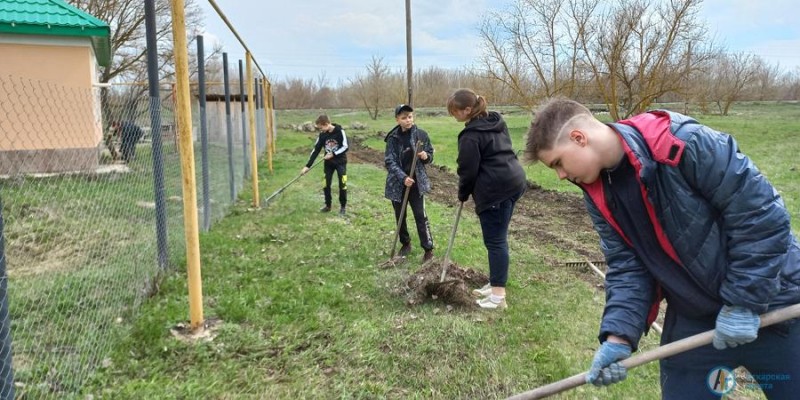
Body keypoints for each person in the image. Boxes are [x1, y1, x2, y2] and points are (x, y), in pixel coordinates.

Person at [524, 97, 800, 398]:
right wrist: (618, 336)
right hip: (695, 315)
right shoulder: (597, 192)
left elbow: (761, 217)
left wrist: (744, 300)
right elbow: (627, 265)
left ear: (579, 138)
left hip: (774, 302)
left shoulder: (681, 142)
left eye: (558, 163)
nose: (561, 176)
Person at [446, 89, 527, 310]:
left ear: (468, 110)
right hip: (514, 182)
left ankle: (498, 297)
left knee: (495, 241)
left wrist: (463, 193)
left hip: (496, 190)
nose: (453, 115)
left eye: (455, 111)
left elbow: (467, 171)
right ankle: (495, 282)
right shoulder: (495, 121)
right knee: (497, 238)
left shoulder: (471, 136)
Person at [384, 104, 435, 263]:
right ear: (397, 119)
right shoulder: (393, 138)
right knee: (400, 216)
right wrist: (403, 177)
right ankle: (405, 243)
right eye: (404, 117)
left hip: (416, 183)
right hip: (398, 184)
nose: (408, 120)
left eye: (410, 116)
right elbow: (389, 161)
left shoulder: (421, 135)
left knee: (421, 216)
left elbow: (430, 155)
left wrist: (426, 156)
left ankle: (428, 249)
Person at [301, 114, 348, 216]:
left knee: (342, 184)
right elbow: (316, 150)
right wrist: (307, 166)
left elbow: (345, 146)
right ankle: (328, 205)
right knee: (326, 184)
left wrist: (333, 154)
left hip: (341, 162)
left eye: (321, 128)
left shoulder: (340, 131)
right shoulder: (322, 135)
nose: (320, 130)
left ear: (326, 124)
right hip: (328, 164)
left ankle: (343, 207)